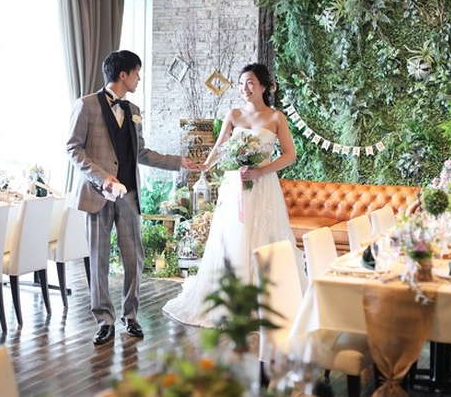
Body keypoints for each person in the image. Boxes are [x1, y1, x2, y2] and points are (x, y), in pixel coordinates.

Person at [67, 50, 200, 345]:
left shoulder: (133, 109)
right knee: (99, 259)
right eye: (137, 73)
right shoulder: (86, 105)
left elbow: (141, 152)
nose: (139, 78)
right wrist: (103, 178)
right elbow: (73, 149)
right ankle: (104, 320)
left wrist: (178, 162)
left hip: (128, 195)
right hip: (98, 194)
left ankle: (131, 316)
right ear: (123, 74)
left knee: (134, 258)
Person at [162, 63, 301, 327]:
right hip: (235, 185)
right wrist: (205, 165)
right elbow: (220, 148)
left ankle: (264, 300)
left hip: (262, 187)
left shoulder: (276, 118)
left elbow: (290, 155)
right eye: (241, 83)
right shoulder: (234, 114)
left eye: (250, 82)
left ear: (263, 86)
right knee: (232, 239)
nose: (244, 88)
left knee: (263, 237)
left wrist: (260, 171)